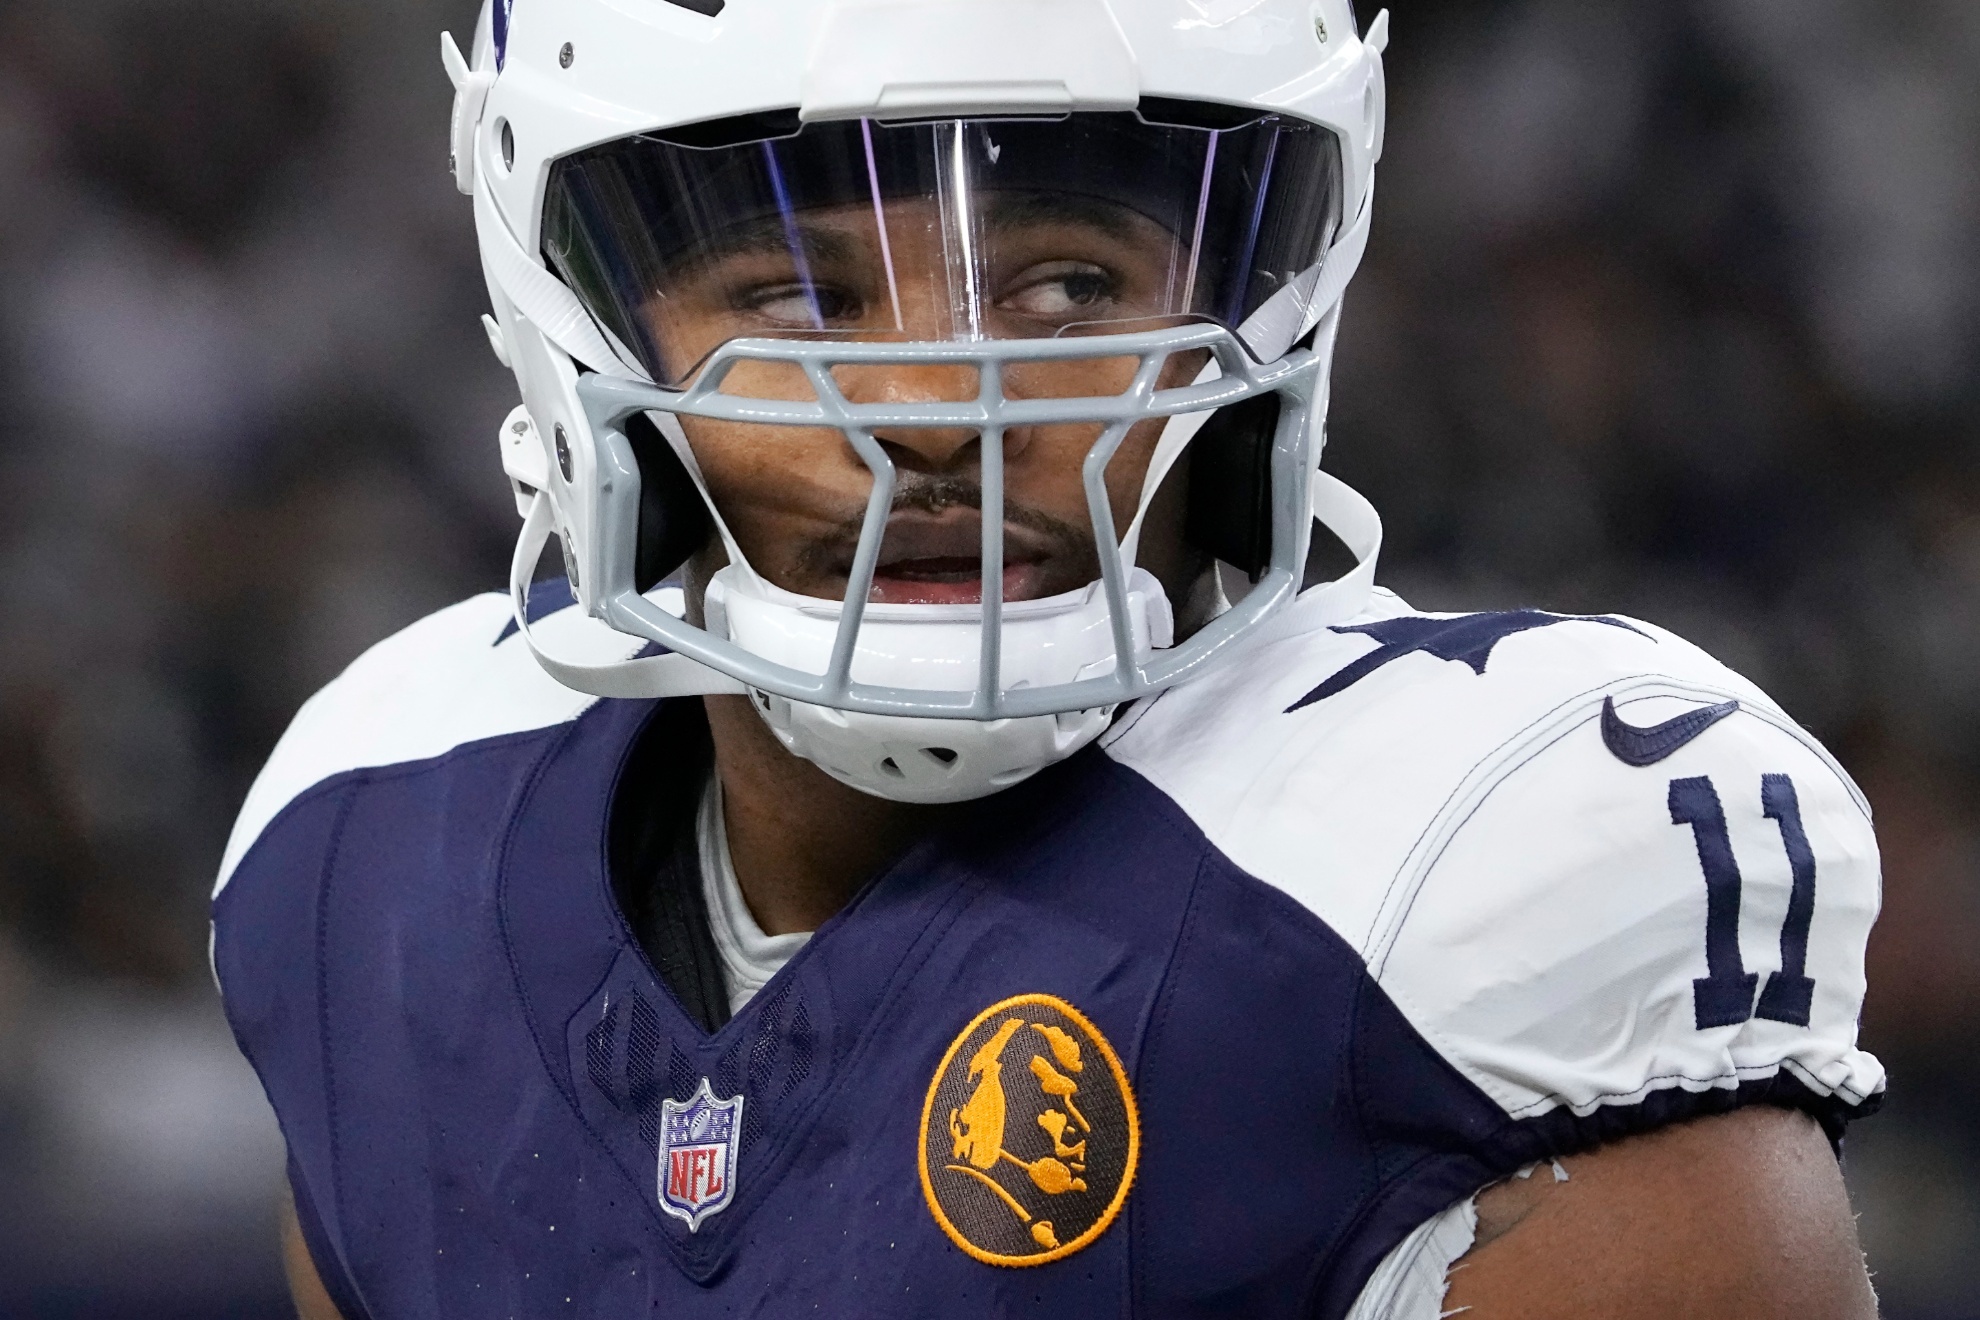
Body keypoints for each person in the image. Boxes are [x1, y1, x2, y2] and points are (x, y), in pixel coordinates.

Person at [212, 1, 1885, 1316]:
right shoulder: (379, 837)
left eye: (1073, 284)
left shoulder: (1462, 867)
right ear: (566, 316)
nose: (943, 408)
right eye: (799, 299)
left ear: (1271, 289)